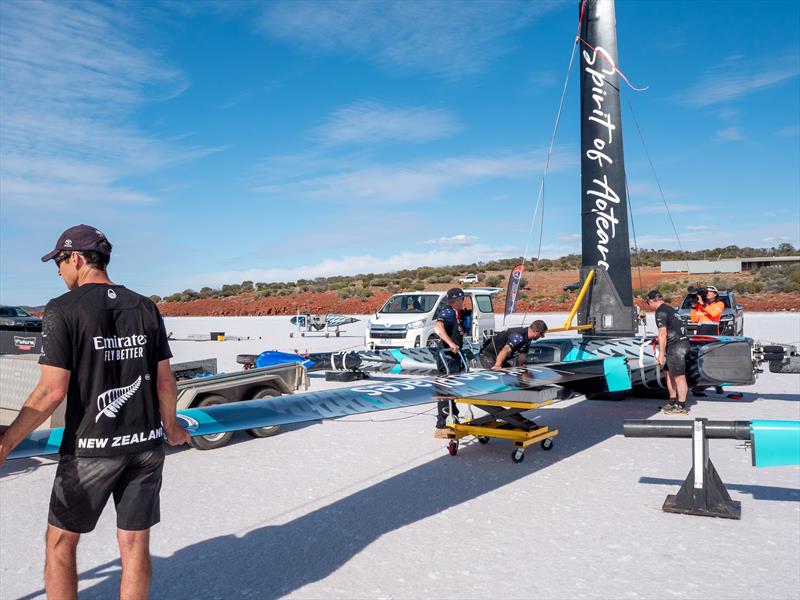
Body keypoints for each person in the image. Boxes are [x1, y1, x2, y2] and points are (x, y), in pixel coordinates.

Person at [0, 225, 190, 600]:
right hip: (146, 446)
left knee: (60, 544)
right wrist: (171, 426)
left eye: (58, 261)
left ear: (75, 258)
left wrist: (6, 443)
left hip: (91, 449)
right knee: (135, 545)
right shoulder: (145, 306)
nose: (57, 271)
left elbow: (51, 392)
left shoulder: (62, 309)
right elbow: (165, 383)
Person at [433, 287, 470, 438]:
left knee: (453, 390)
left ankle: (452, 417)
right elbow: (438, 327)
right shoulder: (447, 312)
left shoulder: (456, 314)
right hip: (447, 358)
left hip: (455, 357)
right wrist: (450, 344)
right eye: (462, 299)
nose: (463, 302)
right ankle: (442, 426)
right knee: (445, 390)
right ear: (454, 301)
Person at [646, 290, 690, 414]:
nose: (649, 306)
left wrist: (660, 354)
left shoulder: (660, 311)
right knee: (667, 372)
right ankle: (672, 401)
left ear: (651, 301)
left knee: (679, 376)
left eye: (648, 303)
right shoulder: (670, 310)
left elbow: (663, 333)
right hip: (678, 344)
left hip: (677, 346)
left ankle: (681, 406)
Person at [479, 320, 548, 370]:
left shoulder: (528, 339)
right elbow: (505, 350)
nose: (542, 337)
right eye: (542, 334)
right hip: (488, 354)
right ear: (536, 332)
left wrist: (521, 367)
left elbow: (522, 356)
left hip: (500, 357)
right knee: (497, 373)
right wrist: (497, 366)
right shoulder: (518, 336)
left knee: (511, 373)